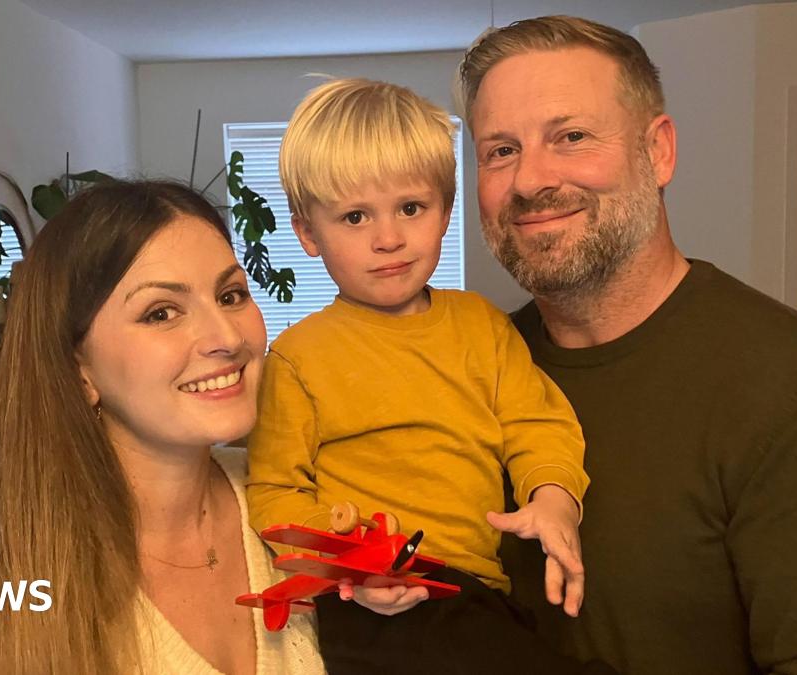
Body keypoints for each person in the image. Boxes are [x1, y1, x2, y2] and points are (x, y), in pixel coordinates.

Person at [458, 15, 797, 674]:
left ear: (659, 152)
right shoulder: (469, 372)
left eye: (571, 136)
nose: (531, 179)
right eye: (500, 150)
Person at [0, 181, 324, 674]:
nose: (226, 337)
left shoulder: (295, 502)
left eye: (231, 295)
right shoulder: (8, 583)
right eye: (162, 312)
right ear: (79, 371)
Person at [246, 78, 611, 675]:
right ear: (309, 233)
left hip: (473, 593)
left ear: (445, 209)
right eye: (355, 216)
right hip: (369, 601)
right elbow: (275, 491)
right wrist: (349, 563)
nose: (388, 238)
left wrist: (553, 499)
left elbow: (537, 423)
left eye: (410, 208)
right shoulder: (297, 358)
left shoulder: (481, 327)